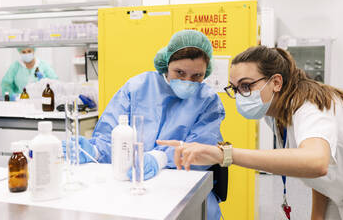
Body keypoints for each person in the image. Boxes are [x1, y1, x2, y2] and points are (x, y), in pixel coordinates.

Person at [158, 46, 343, 220]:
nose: (240, 95)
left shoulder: (310, 107)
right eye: (235, 89)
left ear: (276, 82)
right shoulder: (275, 114)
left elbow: (316, 162)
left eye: (247, 86)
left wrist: (225, 154)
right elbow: (319, 173)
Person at [64, 30, 225, 220]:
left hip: (181, 189)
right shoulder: (137, 87)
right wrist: (94, 150)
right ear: (166, 65)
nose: (187, 81)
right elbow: (111, 134)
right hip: (132, 187)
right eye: (180, 73)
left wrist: (160, 159)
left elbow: (201, 149)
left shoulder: (208, 101)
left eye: (197, 76)